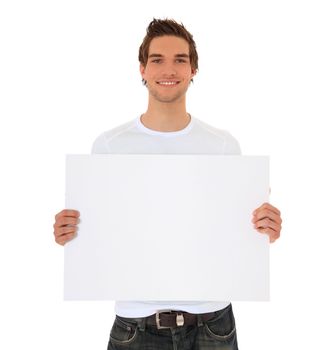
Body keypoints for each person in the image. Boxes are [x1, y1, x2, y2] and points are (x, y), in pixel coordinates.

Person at [53, 18, 282, 350]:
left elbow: (239, 234)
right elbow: (97, 235)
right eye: (157, 59)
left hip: (212, 324)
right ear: (143, 69)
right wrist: (72, 234)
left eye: (180, 59)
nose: (169, 69)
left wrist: (266, 229)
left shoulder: (222, 146)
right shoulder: (109, 146)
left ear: (193, 69)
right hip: (135, 324)